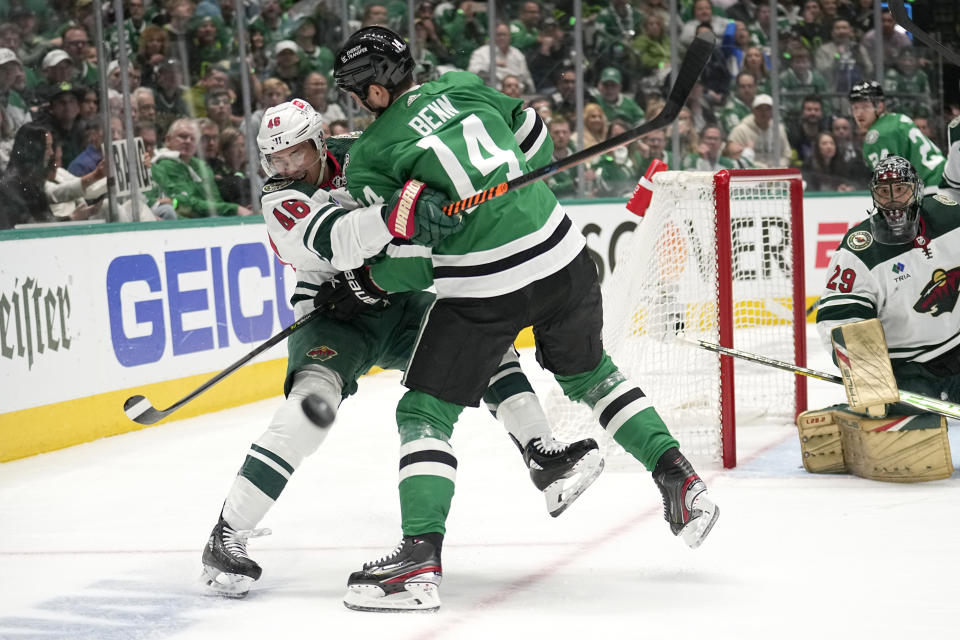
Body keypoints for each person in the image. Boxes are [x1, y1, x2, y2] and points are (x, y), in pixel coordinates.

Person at [334, 26, 719, 612]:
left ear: (374, 93)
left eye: (355, 94)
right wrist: (506, 193)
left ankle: (418, 559)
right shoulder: (463, 86)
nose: (356, 106)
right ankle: (682, 479)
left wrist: (370, 279)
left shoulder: (368, 157)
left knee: (423, 412)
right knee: (592, 375)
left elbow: (412, 259)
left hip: (488, 285)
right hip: (564, 253)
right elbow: (533, 140)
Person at [199, 99, 603, 598]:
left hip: (399, 296)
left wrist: (434, 199)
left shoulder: (362, 155)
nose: (286, 168)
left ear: (319, 141)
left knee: (488, 351)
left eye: (295, 155)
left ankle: (543, 454)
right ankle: (227, 533)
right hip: (335, 313)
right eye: (275, 160)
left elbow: (425, 187)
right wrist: (398, 213)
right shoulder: (280, 199)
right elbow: (338, 240)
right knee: (310, 411)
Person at [808, 156, 960, 476]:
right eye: (885, 191)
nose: (893, 200)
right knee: (913, 438)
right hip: (907, 368)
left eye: (901, 189)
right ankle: (852, 416)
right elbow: (841, 318)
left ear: (917, 190)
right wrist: (867, 380)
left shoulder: (952, 216)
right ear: (873, 195)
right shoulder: (859, 249)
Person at [848, 81, 945, 190]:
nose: (859, 113)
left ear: (879, 106)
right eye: (855, 108)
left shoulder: (877, 135)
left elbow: (890, 186)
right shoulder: (898, 118)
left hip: (932, 187)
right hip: (946, 175)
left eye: (865, 106)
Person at [151, 118, 254, 217]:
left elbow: (215, 200)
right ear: (168, 140)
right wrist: (234, 209)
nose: (188, 141)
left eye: (193, 138)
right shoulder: (161, 165)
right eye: (182, 136)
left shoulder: (202, 166)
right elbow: (185, 203)